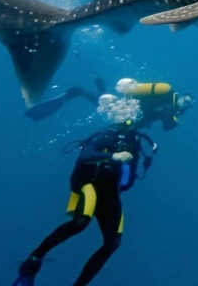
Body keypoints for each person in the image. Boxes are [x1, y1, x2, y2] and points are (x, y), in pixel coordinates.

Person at [12, 97, 158, 286]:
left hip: (110, 189)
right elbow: (85, 156)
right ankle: (33, 262)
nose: (126, 120)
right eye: (123, 116)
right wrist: (113, 155)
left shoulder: (135, 139)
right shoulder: (107, 134)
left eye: (131, 116)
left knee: (113, 243)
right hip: (89, 182)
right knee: (80, 223)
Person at [25, 76, 194, 131]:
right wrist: (173, 119)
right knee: (108, 107)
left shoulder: (171, 106)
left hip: (132, 115)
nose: (185, 104)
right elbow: (166, 126)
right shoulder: (169, 102)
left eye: (188, 104)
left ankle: (98, 89)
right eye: (185, 100)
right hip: (128, 110)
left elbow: (156, 116)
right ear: (181, 96)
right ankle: (80, 91)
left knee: (110, 108)